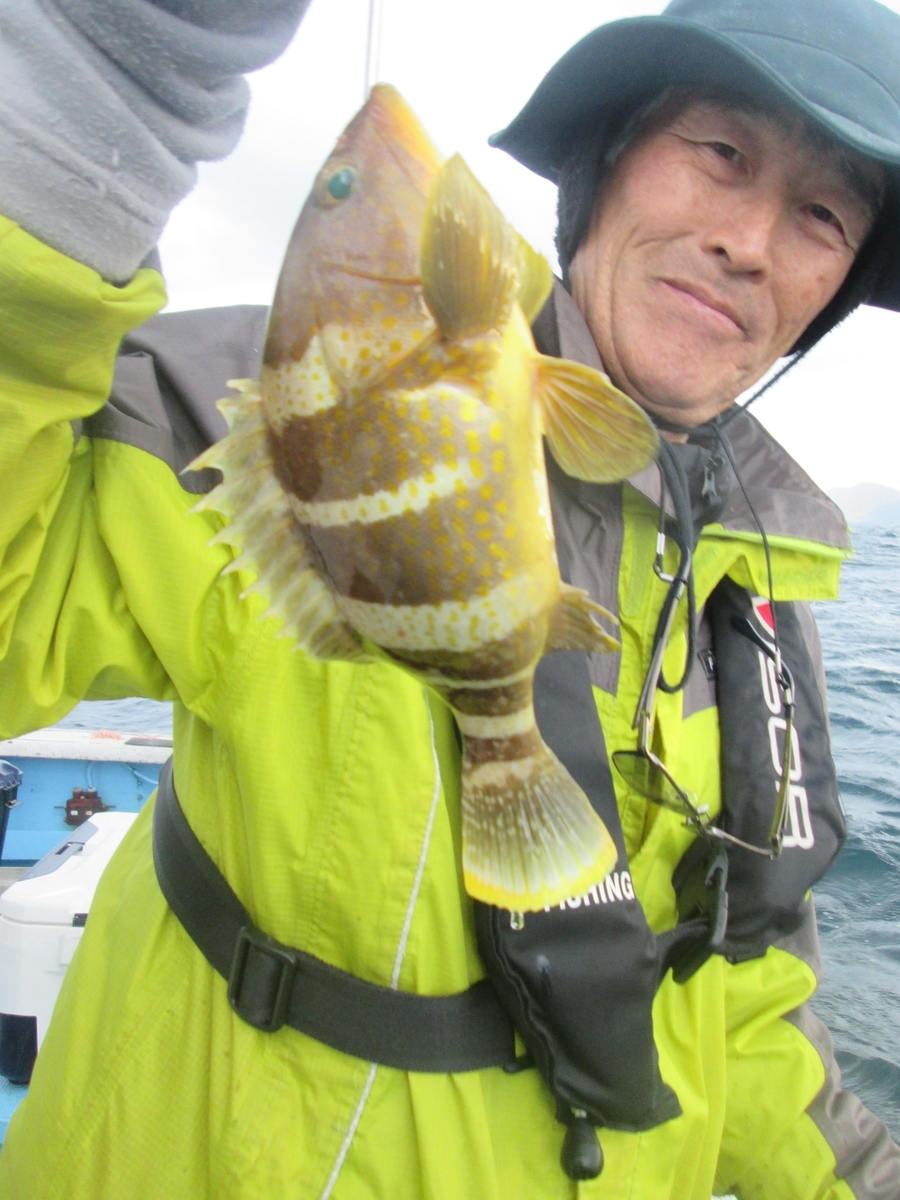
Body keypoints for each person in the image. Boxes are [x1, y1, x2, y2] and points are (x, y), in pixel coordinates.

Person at [0, 0, 899, 1197]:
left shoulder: (758, 600)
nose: (749, 241)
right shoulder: (273, 418)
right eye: (722, 152)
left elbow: (743, 998)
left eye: (824, 216)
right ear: (605, 161)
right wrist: (94, 89)